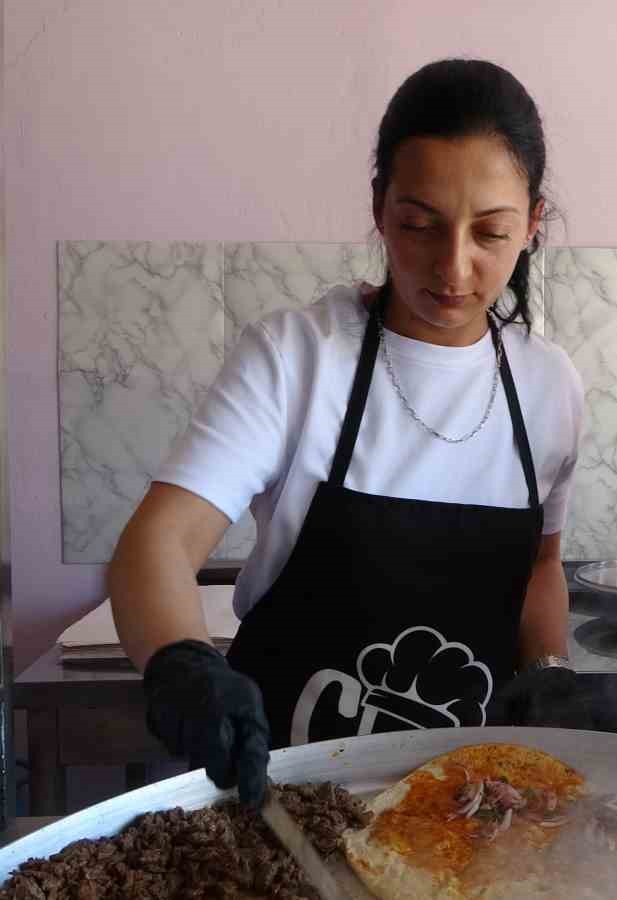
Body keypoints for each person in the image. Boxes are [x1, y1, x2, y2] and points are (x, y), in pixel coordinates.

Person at [107, 59, 588, 808]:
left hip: (471, 812)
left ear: (532, 223)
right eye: (418, 225)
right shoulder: (297, 359)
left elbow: (540, 566)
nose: (453, 268)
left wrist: (549, 668)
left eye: (490, 233)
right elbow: (159, 542)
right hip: (286, 802)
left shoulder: (549, 385)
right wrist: (180, 662)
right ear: (379, 209)